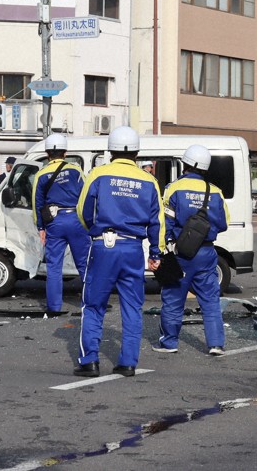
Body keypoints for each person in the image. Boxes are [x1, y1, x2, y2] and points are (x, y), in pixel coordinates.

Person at [73, 126, 163, 377]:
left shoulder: (98, 174)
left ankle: (90, 360)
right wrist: (156, 252)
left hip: (104, 245)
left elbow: (83, 210)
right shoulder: (149, 181)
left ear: (111, 150)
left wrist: (96, 231)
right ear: (136, 151)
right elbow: (158, 221)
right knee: (132, 306)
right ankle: (128, 363)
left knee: (93, 304)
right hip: (134, 248)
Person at [156, 144, 229, 355]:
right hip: (207, 252)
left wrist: (162, 247)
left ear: (185, 164)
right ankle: (216, 344)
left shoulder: (174, 188)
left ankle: (169, 342)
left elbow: (165, 222)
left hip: (182, 252)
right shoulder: (215, 191)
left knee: (173, 296)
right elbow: (224, 223)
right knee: (210, 299)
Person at [32, 134, 89, 313]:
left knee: (54, 266)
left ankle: (54, 307)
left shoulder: (41, 174)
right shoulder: (75, 170)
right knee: (84, 264)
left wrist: (40, 227)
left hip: (54, 222)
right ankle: (89, 304)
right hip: (76, 220)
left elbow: (37, 204)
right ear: (65, 152)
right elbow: (86, 196)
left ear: (47, 153)